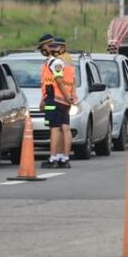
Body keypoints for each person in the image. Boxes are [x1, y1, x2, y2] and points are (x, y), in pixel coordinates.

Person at [41, 39, 77, 169]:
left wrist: (67, 97)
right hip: (65, 101)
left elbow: (59, 80)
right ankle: (64, 158)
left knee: (55, 128)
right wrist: (71, 97)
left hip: (55, 98)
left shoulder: (55, 62)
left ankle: (53, 158)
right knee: (65, 128)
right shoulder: (68, 63)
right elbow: (73, 82)